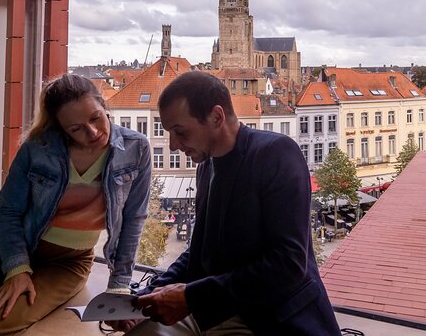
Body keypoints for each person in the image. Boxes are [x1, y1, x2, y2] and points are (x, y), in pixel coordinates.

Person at [110, 71, 341, 335]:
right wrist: (144, 300)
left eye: (180, 132)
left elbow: (287, 265)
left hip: (271, 318)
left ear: (217, 117)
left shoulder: (277, 153)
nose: (173, 145)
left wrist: (191, 298)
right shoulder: (206, 166)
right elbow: (199, 250)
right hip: (215, 308)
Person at [0, 74, 152, 335]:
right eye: (76, 129)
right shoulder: (37, 149)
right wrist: (17, 269)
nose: (93, 132)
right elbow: (8, 212)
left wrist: (119, 284)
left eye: (96, 117)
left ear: (103, 105)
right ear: (61, 129)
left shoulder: (136, 148)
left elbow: (134, 219)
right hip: (11, 249)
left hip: (68, 263)